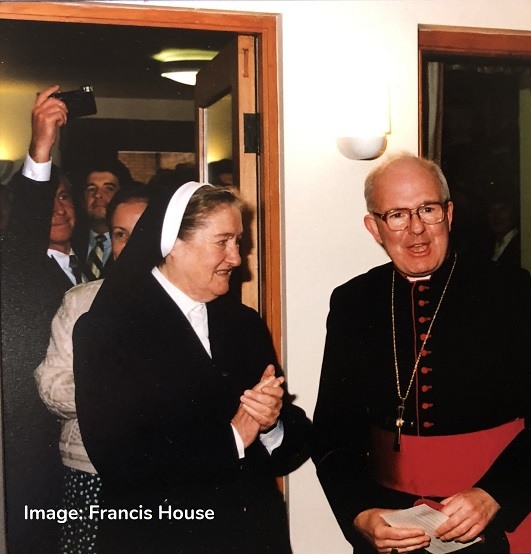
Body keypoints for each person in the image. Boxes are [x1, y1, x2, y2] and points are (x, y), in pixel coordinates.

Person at [312, 154, 531, 553]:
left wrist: (494, 495)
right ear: (374, 227)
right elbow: (332, 431)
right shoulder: (353, 302)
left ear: (449, 214)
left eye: (428, 209)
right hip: (392, 527)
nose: (416, 229)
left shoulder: (508, 291)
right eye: (396, 215)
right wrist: (360, 513)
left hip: (491, 520)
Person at [73, 181, 311, 552]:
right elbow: (119, 460)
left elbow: (291, 442)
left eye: (238, 242)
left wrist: (270, 424)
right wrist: (234, 436)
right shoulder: (108, 329)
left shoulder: (243, 322)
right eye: (223, 241)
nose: (236, 257)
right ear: (173, 245)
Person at [35, 184, 149, 553]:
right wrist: (105, 390)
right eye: (120, 234)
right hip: (90, 468)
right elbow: (51, 385)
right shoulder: (81, 301)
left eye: (142, 232)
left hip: (165, 470)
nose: (130, 245)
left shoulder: (195, 302)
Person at [0, 85, 83, 552]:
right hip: (36, 444)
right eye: (48, 197)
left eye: (65, 197)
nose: (58, 207)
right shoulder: (19, 267)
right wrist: (41, 148)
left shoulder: (97, 270)